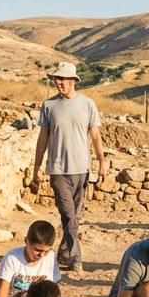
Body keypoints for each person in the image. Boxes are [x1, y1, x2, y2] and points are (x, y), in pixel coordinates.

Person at [29, 62, 109, 274]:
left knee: (73, 217)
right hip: (57, 170)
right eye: (56, 78)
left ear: (73, 81)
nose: (58, 82)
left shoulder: (88, 104)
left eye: (62, 78)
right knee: (69, 215)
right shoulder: (48, 106)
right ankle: (76, 259)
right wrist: (36, 168)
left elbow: (96, 135)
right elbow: (42, 138)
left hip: (81, 169)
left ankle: (64, 254)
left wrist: (102, 162)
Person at [0, 220, 60, 297]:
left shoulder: (51, 257)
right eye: (37, 250)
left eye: (46, 251)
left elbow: (51, 290)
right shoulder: (12, 258)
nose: (42, 255)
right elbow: (1, 294)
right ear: (26, 241)